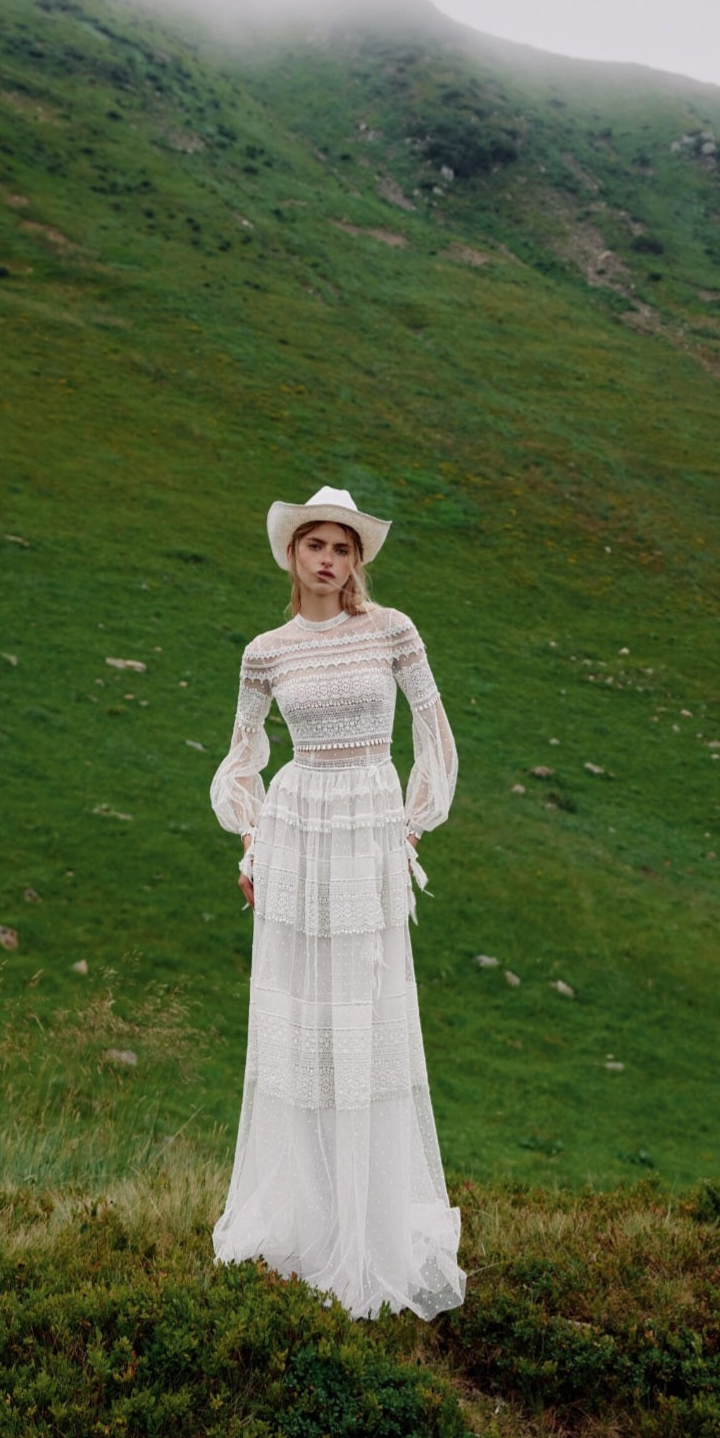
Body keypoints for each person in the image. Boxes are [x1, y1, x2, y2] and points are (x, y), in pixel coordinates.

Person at [209, 485, 465, 1320]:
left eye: (342, 547)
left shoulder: (392, 630)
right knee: (303, 1025)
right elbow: (242, 757)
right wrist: (253, 842)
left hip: (369, 827)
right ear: (292, 554)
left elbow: (433, 730)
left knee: (367, 1020)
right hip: (299, 830)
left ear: (357, 560)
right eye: (315, 544)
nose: (328, 558)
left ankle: (369, 1230)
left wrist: (412, 823)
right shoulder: (265, 651)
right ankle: (309, 1222)